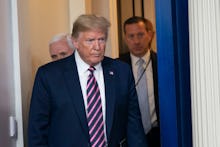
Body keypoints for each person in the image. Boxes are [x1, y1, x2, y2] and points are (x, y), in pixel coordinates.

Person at [28, 14, 147, 147]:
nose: (97, 46)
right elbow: (37, 131)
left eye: (101, 39)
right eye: (90, 40)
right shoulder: (48, 76)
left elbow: (134, 125)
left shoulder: (121, 72)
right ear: (75, 42)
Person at [118, 16, 160, 147]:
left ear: (150, 35)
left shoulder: (163, 64)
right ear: (125, 38)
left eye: (140, 35)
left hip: (159, 135)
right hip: (128, 136)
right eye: (131, 36)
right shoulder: (116, 67)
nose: (136, 41)